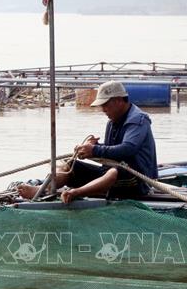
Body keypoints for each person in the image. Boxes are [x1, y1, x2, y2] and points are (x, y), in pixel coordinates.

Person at [17, 81, 158, 203]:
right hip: (112, 175)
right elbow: (112, 152)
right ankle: (42, 190)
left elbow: (128, 149)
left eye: (106, 104)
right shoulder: (113, 121)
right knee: (70, 165)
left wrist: (95, 150)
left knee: (114, 172)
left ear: (118, 100)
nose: (103, 109)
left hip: (137, 181)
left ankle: (76, 193)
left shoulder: (138, 120)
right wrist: (93, 147)